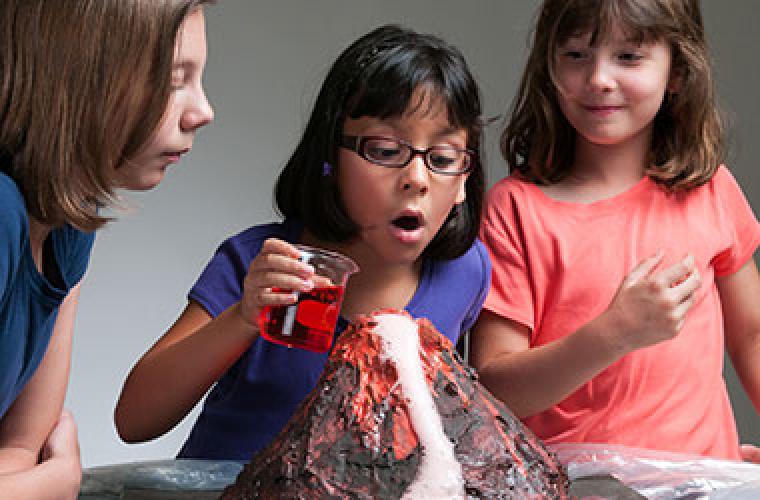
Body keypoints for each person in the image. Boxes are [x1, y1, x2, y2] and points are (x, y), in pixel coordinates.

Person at [113, 24, 491, 461]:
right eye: (386, 151)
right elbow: (135, 419)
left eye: (443, 159)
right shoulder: (262, 263)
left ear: (464, 179)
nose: (417, 179)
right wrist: (244, 316)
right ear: (330, 158)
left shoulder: (465, 270)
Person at [472, 0, 760, 461]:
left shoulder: (710, 189)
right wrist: (615, 333)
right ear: (549, 66)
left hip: (704, 481)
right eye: (576, 55)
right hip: (572, 486)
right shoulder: (515, 208)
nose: (599, 78)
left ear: (678, 72)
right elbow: (495, 387)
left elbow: (753, 336)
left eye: (628, 56)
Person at [0, 0, 214, 496]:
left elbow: (18, 446)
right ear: (76, 74)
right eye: (174, 79)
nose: (203, 111)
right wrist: (51, 482)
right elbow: (37, 472)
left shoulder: (68, 224)